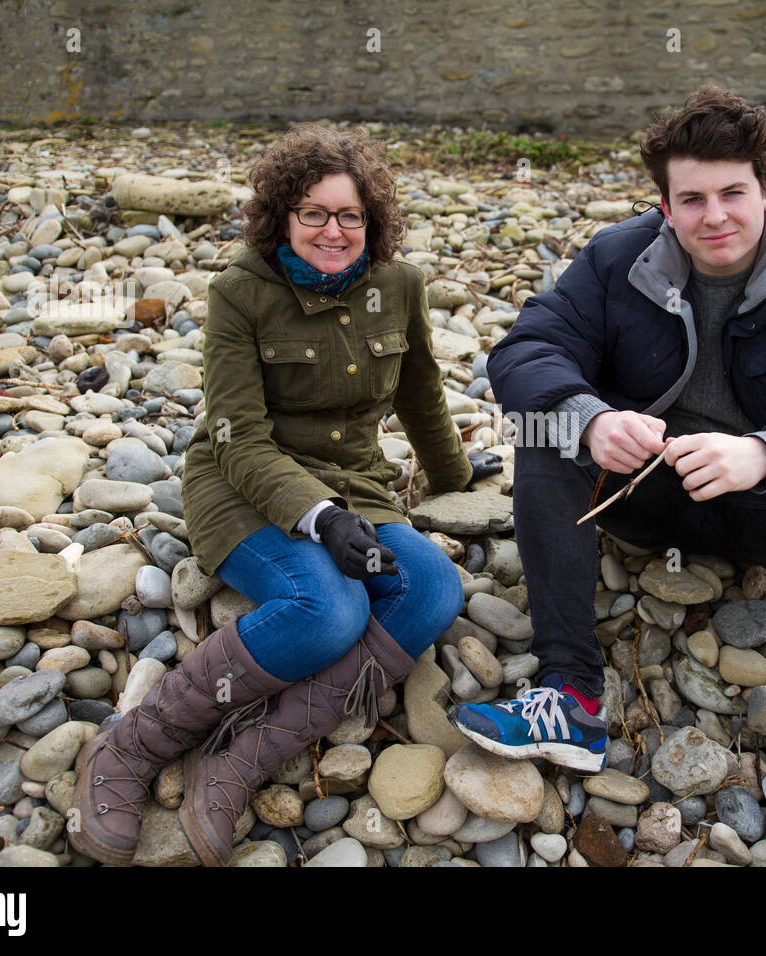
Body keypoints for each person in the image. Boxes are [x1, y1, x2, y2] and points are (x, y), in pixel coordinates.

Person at [452, 85, 766, 867]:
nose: (715, 217)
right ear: (664, 205)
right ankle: (572, 697)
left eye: (734, 193)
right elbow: (528, 350)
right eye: (691, 199)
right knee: (546, 427)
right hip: (648, 494)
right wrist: (592, 418)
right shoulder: (613, 258)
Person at [71, 124, 500, 867]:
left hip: (355, 487)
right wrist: (319, 519)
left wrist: (457, 480)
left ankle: (243, 751)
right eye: (314, 214)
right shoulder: (240, 294)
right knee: (328, 609)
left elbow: (424, 392)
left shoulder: (399, 284)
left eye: (350, 216)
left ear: (372, 220)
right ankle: (133, 744)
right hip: (241, 485)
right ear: (282, 217)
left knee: (431, 588)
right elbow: (237, 435)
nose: (333, 231)